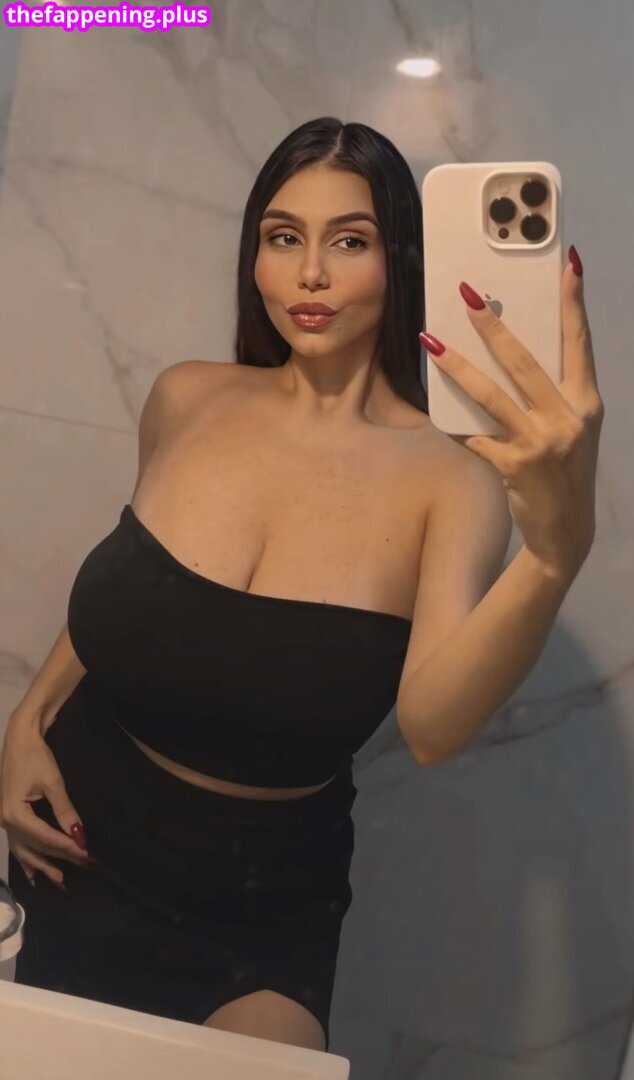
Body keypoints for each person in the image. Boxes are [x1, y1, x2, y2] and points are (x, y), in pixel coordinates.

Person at [0, 117, 603, 1055]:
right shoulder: (187, 397)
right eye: (284, 237)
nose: (310, 274)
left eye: (349, 242)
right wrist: (27, 719)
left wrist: (555, 556)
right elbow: (132, 597)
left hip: (262, 900)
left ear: (400, 261)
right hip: (78, 846)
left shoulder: (454, 476)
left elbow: (434, 728)